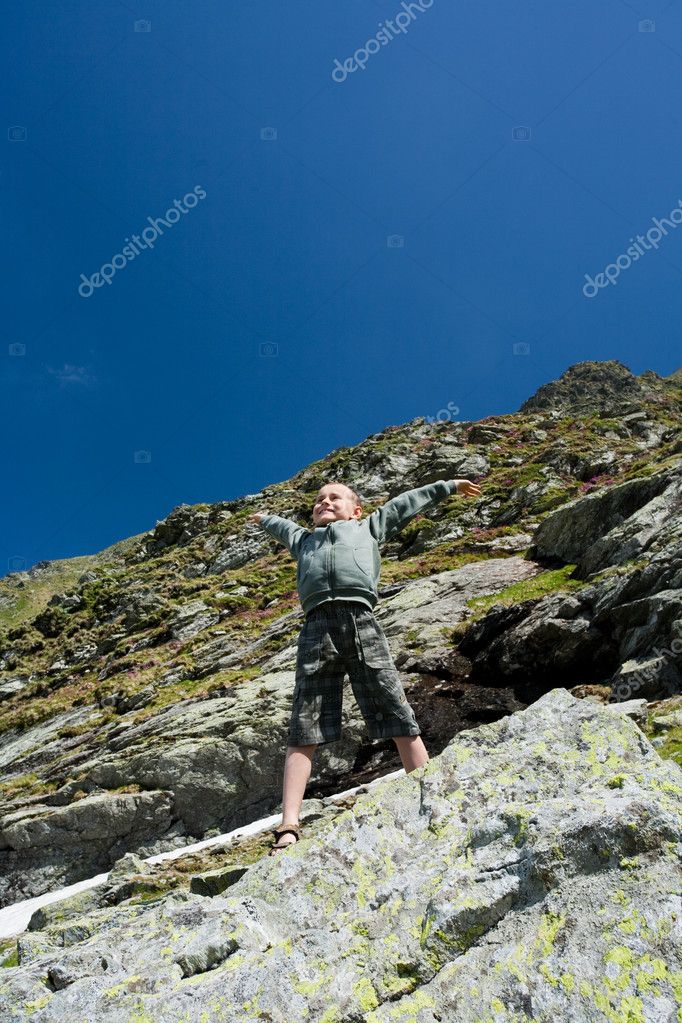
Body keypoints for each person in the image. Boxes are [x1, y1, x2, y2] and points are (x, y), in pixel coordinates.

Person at [248, 476, 482, 854]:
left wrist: (447, 486)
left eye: (334, 498)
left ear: (356, 509)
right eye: (319, 500)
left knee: (391, 701)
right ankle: (288, 824)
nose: (324, 502)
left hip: (360, 619)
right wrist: (263, 519)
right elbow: (282, 526)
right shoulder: (304, 540)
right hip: (315, 627)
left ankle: (431, 794)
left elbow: (406, 502)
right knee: (304, 718)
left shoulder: (369, 527)